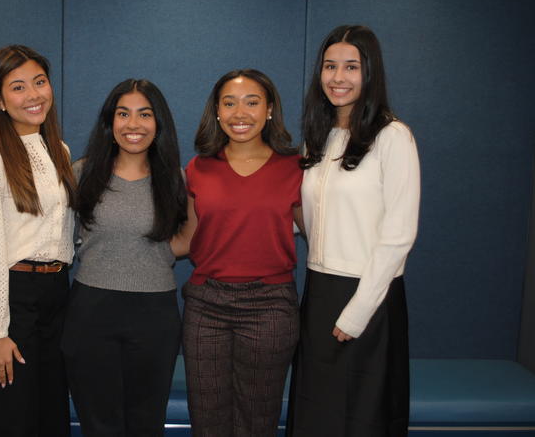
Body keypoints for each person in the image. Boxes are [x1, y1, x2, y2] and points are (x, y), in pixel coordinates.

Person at [286, 25, 420, 437]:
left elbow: (398, 236)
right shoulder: (316, 139)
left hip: (369, 297)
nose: (337, 78)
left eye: (350, 67)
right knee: (316, 415)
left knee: (361, 419)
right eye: (329, 66)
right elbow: (310, 220)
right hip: (320, 291)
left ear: (370, 73)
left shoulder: (392, 136)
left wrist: (359, 311)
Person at [171, 69, 303, 437]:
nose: (239, 113)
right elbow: (187, 239)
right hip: (206, 305)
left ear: (270, 109)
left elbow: (320, 235)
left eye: (252, 102)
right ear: (216, 111)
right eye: (229, 103)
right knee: (207, 419)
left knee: (257, 421)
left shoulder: (295, 169)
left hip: (270, 306)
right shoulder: (198, 168)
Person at [0, 45, 75, 437]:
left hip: (57, 296)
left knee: (49, 415)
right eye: (18, 87)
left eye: (39, 82)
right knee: (11, 418)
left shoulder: (59, 151)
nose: (33, 95)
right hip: (12, 301)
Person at [61, 79, 186, 436]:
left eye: (145, 115)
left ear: (158, 123)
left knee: (146, 424)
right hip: (91, 312)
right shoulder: (81, 173)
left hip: (154, 316)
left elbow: (188, 240)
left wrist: (152, 251)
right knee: (100, 425)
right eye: (123, 114)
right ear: (109, 121)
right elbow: (61, 239)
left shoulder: (175, 181)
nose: (133, 124)